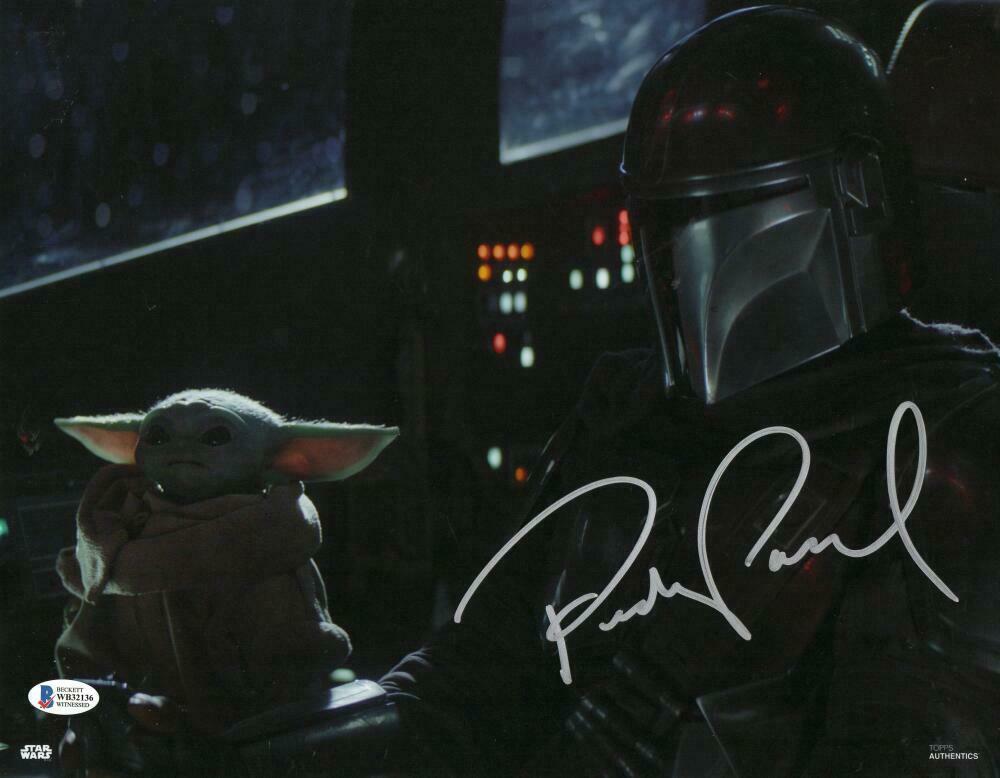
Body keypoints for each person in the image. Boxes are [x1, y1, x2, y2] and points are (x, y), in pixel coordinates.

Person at [96, 7, 1000, 775]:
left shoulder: (950, 449)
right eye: (665, 222)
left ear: (855, 196)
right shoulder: (632, 414)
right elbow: (470, 681)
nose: (680, 266)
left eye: (716, 213)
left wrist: (657, 683)